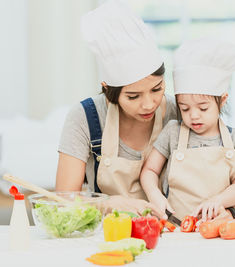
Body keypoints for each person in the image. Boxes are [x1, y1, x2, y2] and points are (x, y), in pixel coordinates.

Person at [55, 0, 175, 218]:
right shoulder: (85, 117)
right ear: (108, 91)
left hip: (172, 236)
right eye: (133, 96)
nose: (149, 104)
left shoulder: (180, 113)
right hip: (107, 237)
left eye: (157, 89)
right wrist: (108, 203)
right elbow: (63, 200)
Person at [140, 38, 235, 221]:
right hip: (176, 226)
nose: (193, 115)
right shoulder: (172, 132)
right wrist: (155, 195)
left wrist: (219, 201)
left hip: (217, 226)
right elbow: (149, 171)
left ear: (222, 100)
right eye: (184, 108)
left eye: (203, 108)